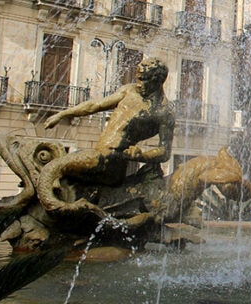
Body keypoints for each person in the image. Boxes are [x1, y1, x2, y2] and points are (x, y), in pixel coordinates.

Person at [35, 57, 176, 217]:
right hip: (98, 157)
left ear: (157, 81)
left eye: (144, 80)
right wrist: (62, 114)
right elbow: (95, 105)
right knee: (61, 177)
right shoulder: (130, 91)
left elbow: (164, 152)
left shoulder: (164, 113)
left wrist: (141, 154)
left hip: (110, 162)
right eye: (138, 78)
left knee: (53, 169)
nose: (139, 83)